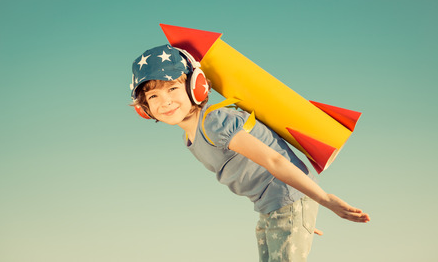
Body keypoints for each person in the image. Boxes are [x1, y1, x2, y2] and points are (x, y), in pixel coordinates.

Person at [130, 44, 370, 262]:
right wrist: (301, 221)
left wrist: (321, 200)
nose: (165, 101)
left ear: (197, 86)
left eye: (172, 88)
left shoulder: (214, 123)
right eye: (153, 96)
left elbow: (273, 160)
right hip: (271, 207)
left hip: (288, 198)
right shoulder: (190, 139)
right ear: (145, 108)